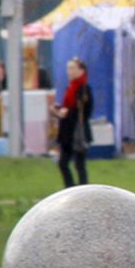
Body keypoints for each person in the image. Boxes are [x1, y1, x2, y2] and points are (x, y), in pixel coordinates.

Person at [50, 57, 92, 187]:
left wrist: (67, 113)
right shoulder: (70, 87)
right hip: (66, 132)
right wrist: (59, 110)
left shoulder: (84, 88)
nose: (69, 71)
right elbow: (67, 106)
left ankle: (83, 190)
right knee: (63, 163)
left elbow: (85, 110)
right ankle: (70, 188)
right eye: (68, 68)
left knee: (79, 164)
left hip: (77, 131)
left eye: (72, 68)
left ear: (81, 70)